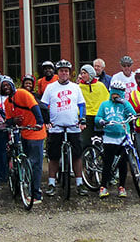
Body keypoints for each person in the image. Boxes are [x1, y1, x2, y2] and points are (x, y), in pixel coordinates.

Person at [40, 59, 86, 196]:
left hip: (73, 126)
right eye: (61, 71)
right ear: (57, 73)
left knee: (77, 156)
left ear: (70, 73)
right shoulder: (50, 88)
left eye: (66, 71)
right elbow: (43, 105)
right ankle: (51, 183)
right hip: (56, 127)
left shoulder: (75, 87)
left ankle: (79, 183)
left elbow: (82, 105)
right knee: (53, 156)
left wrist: (82, 119)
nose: (64, 73)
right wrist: (46, 121)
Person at [0, 77, 46, 204]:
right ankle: (25, 188)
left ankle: (36, 194)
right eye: (3, 86)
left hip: (35, 132)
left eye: (7, 85)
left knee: (34, 164)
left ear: (12, 85)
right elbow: (8, 121)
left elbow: (35, 108)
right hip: (23, 133)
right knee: (24, 162)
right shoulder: (7, 103)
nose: (5, 88)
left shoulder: (23, 93)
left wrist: (40, 123)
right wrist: (13, 121)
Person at [95, 80, 138, 198]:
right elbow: (98, 117)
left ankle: (122, 186)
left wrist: (124, 102)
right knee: (108, 162)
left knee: (123, 163)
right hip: (109, 137)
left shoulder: (125, 105)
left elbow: (132, 114)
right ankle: (103, 186)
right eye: (114, 92)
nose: (116, 95)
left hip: (123, 136)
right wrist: (101, 121)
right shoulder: (105, 104)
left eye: (118, 93)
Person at [78, 64, 109, 145]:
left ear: (91, 74)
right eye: (82, 73)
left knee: (100, 141)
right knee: (84, 141)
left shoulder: (100, 86)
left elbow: (106, 100)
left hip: (98, 116)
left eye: (85, 73)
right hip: (86, 117)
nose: (83, 75)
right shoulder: (79, 87)